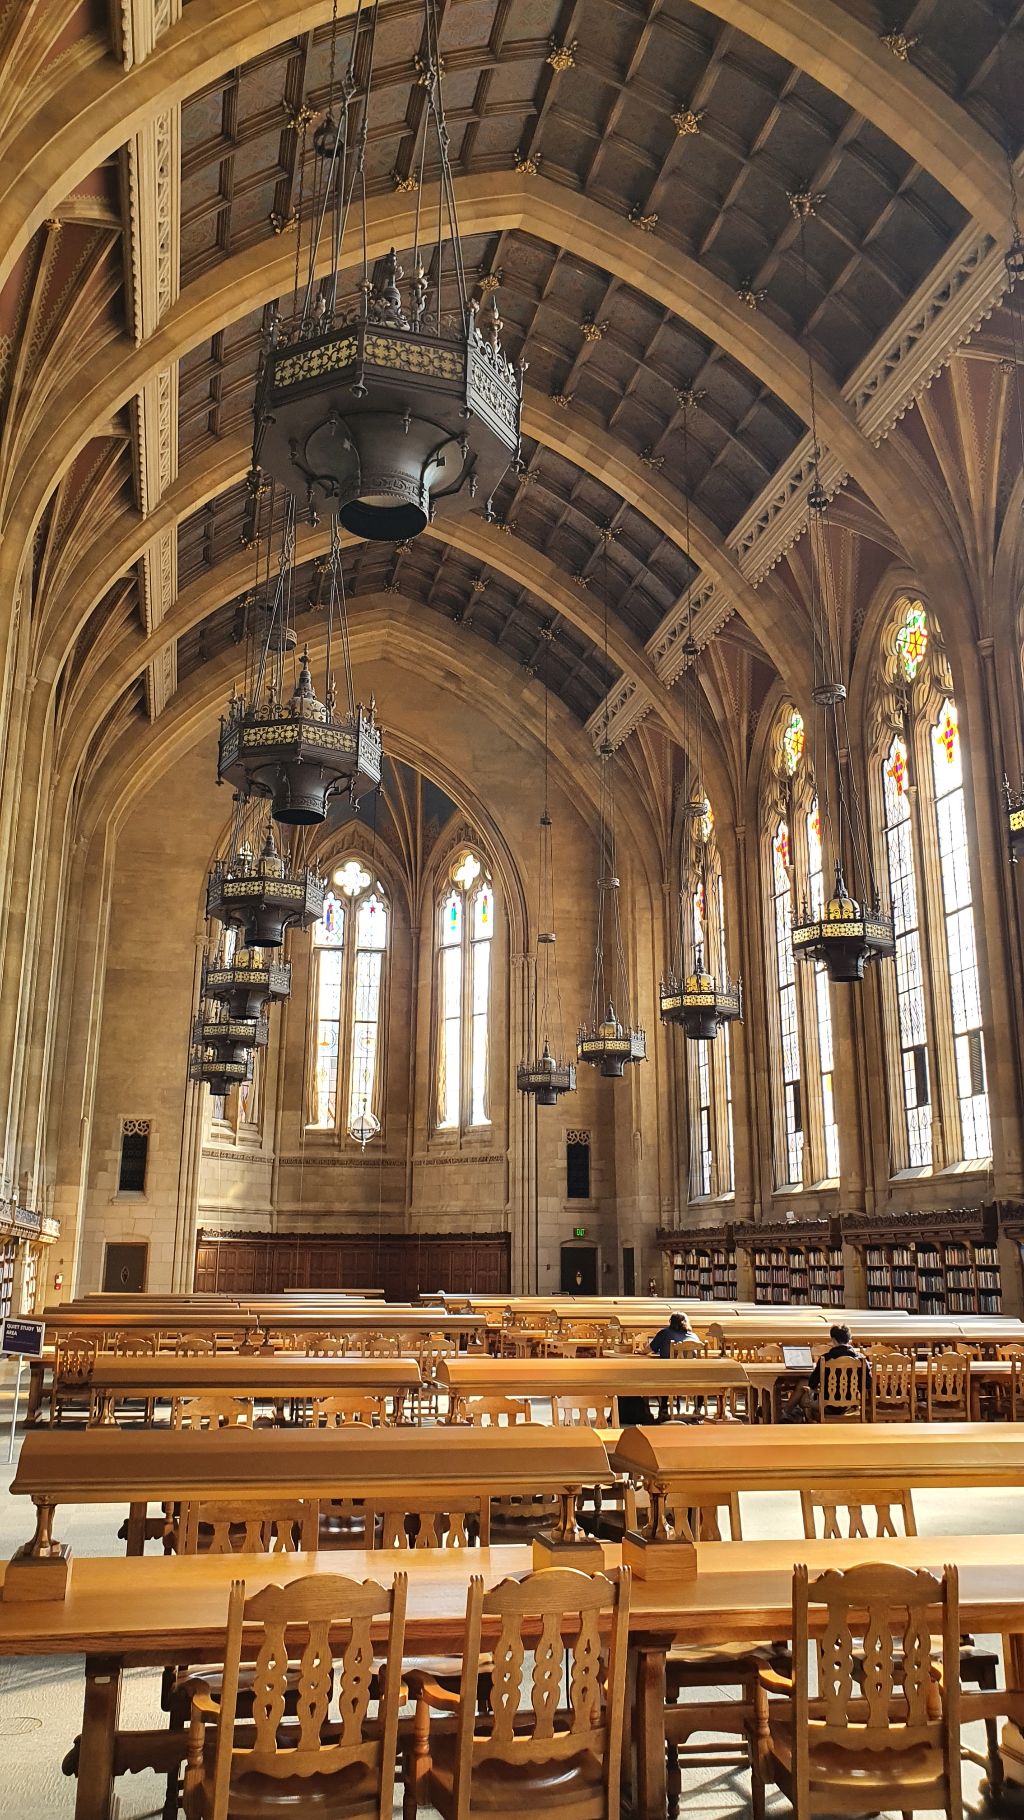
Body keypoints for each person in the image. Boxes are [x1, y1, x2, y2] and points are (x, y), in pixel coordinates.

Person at [785, 1322, 871, 1422]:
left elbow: (812, 1384)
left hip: (827, 1405)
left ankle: (789, 1415)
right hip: (851, 1405)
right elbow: (868, 1384)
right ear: (849, 1339)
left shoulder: (825, 1359)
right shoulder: (861, 1359)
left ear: (833, 1340)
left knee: (803, 1395)